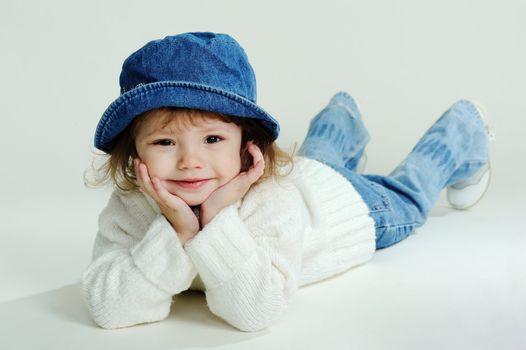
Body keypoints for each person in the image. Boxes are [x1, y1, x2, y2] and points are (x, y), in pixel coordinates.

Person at [81, 32, 495, 332]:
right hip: (306, 174)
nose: (190, 162)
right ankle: (340, 118)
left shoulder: (270, 199)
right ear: (133, 152)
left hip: (345, 206)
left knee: (409, 194)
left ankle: (464, 129)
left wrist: (217, 217)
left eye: (212, 139)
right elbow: (110, 308)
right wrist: (180, 230)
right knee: (314, 162)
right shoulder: (130, 206)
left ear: (247, 145)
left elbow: (255, 313)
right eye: (165, 141)